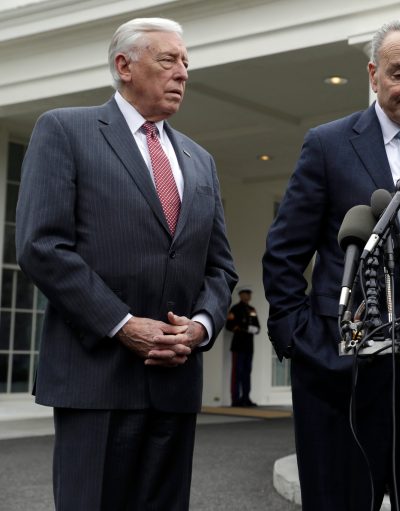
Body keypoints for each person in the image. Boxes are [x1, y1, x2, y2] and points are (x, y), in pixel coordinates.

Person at [262, 18, 400, 511]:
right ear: (373, 73)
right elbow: (284, 250)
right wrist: (300, 339)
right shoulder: (327, 144)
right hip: (345, 367)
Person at [15, 18, 238, 510]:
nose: (182, 72)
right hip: (96, 381)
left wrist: (200, 327)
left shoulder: (200, 160)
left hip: (175, 385)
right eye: (168, 60)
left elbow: (219, 267)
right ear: (124, 66)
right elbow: (41, 245)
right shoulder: (65, 131)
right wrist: (121, 324)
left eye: (186, 63)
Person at [226, 287, 261, 407]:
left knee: (247, 372)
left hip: (249, 347)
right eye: (246, 293)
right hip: (238, 346)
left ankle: (246, 398)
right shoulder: (235, 309)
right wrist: (241, 329)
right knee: (237, 372)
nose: (248, 295)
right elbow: (229, 325)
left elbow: (257, 327)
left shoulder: (252, 309)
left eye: (249, 293)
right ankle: (235, 399)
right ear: (241, 295)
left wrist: (252, 329)